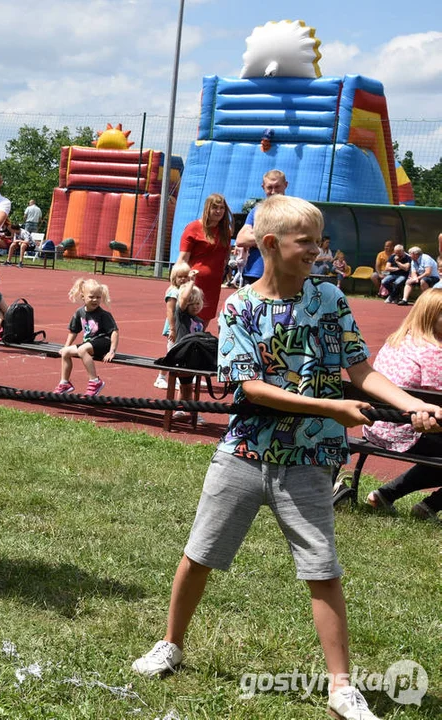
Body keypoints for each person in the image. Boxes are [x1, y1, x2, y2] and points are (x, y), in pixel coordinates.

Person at [131, 194, 442, 720]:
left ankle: (341, 687)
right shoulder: (240, 307)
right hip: (245, 454)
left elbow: (361, 369)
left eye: (320, 241)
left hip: (311, 459)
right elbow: (250, 387)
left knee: (322, 568)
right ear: (271, 245)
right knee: (200, 553)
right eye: (308, 242)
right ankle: (171, 643)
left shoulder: (330, 298)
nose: (319, 251)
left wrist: (411, 403)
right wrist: (329, 406)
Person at [363, 288, 442, 523]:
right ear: (430, 316)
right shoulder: (435, 352)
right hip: (412, 431)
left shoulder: (396, 341)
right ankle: (430, 505)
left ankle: (385, 495)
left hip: (379, 426)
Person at [53, 278, 118, 397]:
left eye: (98, 297)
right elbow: (73, 331)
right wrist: (65, 347)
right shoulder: (79, 312)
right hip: (89, 343)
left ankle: (95, 381)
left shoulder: (104, 315)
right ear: (83, 297)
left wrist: (112, 351)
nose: (95, 300)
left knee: (82, 349)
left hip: (104, 342)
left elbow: (114, 332)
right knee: (66, 353)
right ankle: (65, 383)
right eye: (91, 297)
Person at [177, 193, 232, 327]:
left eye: (222, 208)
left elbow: (225, 256)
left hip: (214, 283)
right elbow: (183, 258)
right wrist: (178, 281)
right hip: (195, 281)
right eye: (215, 208)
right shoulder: (193, 228)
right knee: (189, 316)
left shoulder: (226, 231)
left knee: (205, 317)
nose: (218, 211)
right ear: (207, 209)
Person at [235, 169, 290, 284]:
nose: (274, 191)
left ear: (285, 185)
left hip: (283, 275)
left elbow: (291, 239)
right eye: (270, 187)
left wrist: (257, 237)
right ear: (263, 187)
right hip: (253, 273)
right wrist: (275, 238)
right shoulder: (256, 211)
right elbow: (241, 239)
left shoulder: (294, 210)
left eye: (277, 187)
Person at [170, 271, 206, 423]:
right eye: (192, 304)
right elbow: (183, 299)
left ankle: (180, 408)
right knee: (187, 386)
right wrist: (191, 281)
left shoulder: (199, 321)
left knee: (186, 385)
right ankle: (192, 412)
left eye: (198, 303)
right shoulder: (182, 315)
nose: (195, 306)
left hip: (193, 357)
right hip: (182, 355)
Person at [155, 262, 192, 390]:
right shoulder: (173, 292)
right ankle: (161, 378)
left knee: (181, 351)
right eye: (180, 277)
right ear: (174, 278)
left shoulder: (186, 290)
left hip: (184, 326)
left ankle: (181, 376)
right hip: (175, 327)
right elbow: (170, 311)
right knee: (172, 352)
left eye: (185, 276)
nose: (183, 279)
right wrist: (172, 328)